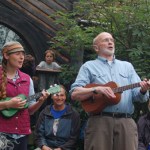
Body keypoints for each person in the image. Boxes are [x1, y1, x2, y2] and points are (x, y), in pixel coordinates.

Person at [70, 32, 150, 150]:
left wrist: (143, 90)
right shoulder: (88, 66)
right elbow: (74, 93)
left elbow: (140, 97)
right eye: (105, 40)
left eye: (112, 40)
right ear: (96, 48)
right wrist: (96, 89)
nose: (110, 42)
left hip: (126, 122)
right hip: (99, 121)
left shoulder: (127, 66)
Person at [0, 41, 49, 150]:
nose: (22, 57)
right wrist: (8, 104)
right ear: (6, 55)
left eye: (23, 54)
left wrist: (40, 101)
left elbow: (30, 111)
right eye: (17, 54)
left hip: (21, 134)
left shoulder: (27, 79)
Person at [34, 85, 80, 150]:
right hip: (46, 146)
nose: (59, 98)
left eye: (62, 95)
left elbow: (74, 138)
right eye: (56, 95)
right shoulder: (45, 112)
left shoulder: (73, 114)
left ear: (65, 97)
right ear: (52, 96)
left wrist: (61, 148)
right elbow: (38, 134)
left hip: (65, 148)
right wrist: (43, 146)